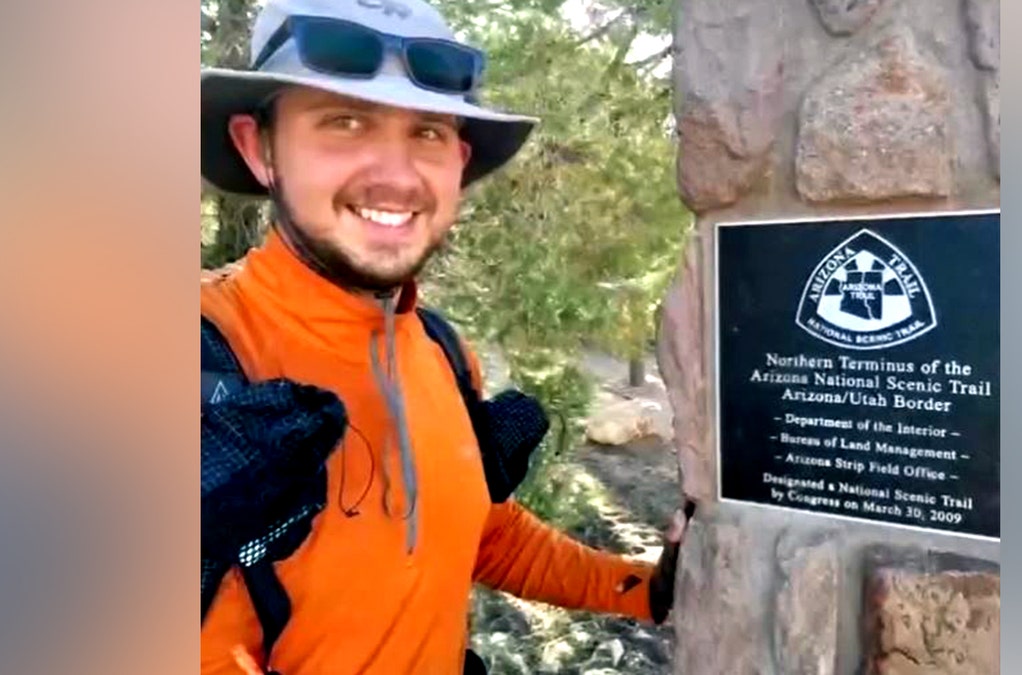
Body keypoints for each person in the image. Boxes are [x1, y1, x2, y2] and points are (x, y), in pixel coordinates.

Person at [199, 1, 690, 674]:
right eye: (343, 122)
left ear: (458, 161)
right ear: (259, 148)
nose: (397, 175)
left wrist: (646, 587)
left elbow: (482, 535)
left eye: (427, 132)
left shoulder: (440, 350)